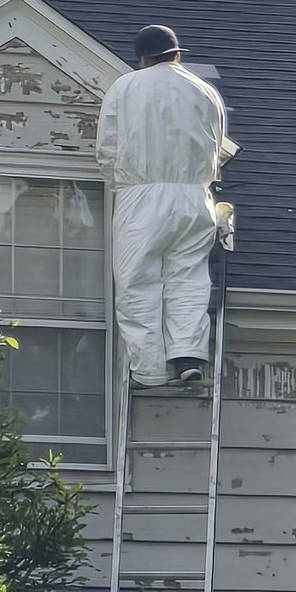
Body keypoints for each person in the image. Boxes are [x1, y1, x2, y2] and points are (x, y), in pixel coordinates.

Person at [96, 27, 235, 386]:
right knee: (188, 279)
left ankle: (149, 370)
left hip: (141, 193)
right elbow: (218, 145)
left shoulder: (125, 87)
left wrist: (122, 183)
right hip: (195, 196)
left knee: (138, 282)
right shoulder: (205, 90)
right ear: (177, 54)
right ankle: (187, 357)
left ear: (142, 59)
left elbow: (107, 150)